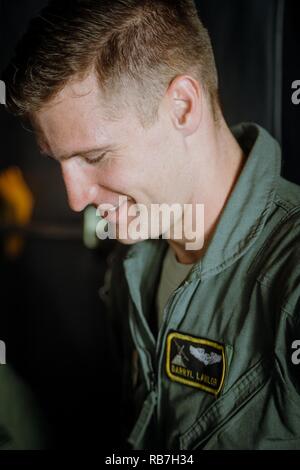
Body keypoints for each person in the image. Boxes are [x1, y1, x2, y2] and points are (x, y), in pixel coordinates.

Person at [3, 0, 300, 450]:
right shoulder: (134, 261)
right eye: (60, 162)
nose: (76, 198)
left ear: (182, 106)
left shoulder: (292, 283)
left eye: (95, 156)